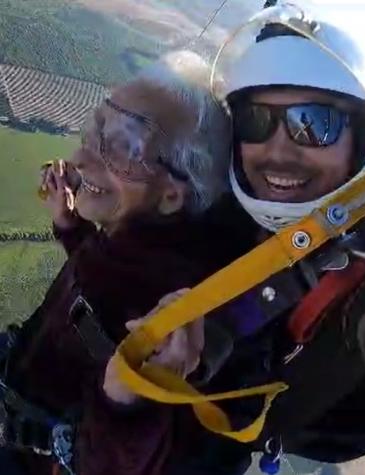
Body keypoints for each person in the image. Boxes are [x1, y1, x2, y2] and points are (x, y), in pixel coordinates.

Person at [101, 4, 365, 474]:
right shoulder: (214, 207)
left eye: (313, 124)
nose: (277, 151)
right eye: (255, 121)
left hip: (304, 429)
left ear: (361, 135)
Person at [0, 50, 231, 475]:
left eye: (125, 145)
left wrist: (125, 400)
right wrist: (69, 226)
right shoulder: (134, 248)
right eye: (96, 127)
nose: (83, 157)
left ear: (172, 194)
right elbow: (98, 281)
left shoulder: (161, 310)